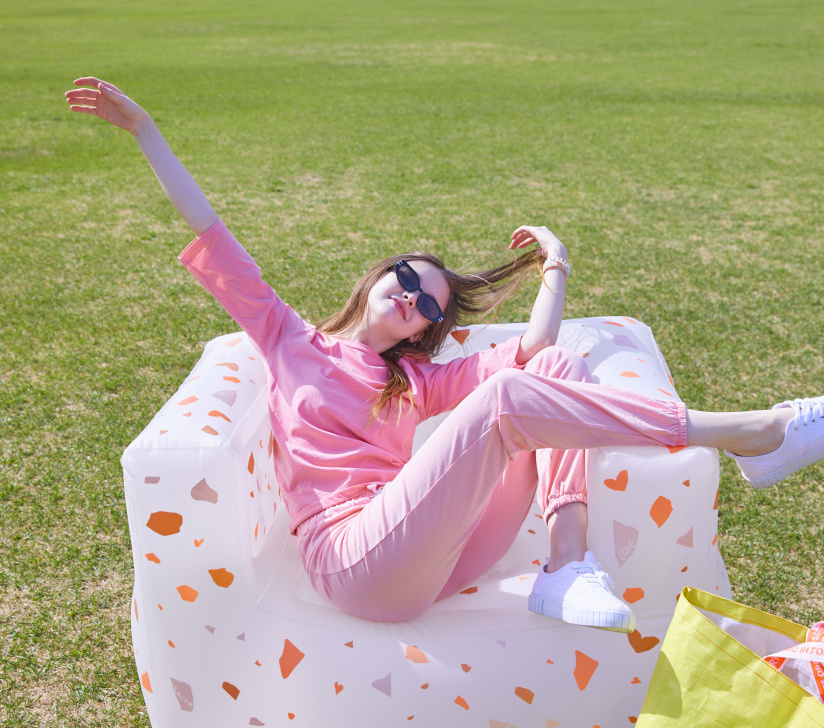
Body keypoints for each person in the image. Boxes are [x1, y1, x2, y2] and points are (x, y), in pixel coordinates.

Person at [66, 77, 824, 632]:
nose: (412, 299)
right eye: (406, 281)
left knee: (548, 371)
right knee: (506, 400)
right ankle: (752, 434)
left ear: (419, 333)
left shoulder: (415, 382)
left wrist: (556, 265)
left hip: (431, 558)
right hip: (352, 563)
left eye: (427, 306)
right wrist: (145, 130)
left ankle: (565, 562)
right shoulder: (287, 338)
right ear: (375, 280)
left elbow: (532, 353)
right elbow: (212, 227)